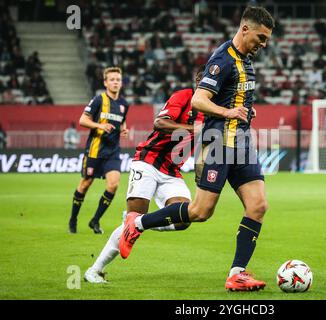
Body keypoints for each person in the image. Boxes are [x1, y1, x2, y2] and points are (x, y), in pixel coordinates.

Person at [119, 6, 274, 292]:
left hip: (241, 144)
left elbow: (235, 100)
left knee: (258, 205)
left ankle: (237, 274)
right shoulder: (222, 60)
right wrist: (228, 114)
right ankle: (138, 224)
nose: (263, 44)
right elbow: (199, 101)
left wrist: (244, 113)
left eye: (266, 40)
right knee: (201, 211)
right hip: (218, 144)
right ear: (245, 29)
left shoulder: (246, 62)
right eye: (261, 37)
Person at [84, 69, 205, 283]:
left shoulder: (211, 110)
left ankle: (139, 221)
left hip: (171, 171)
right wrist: (193, 129)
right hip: (148, 161)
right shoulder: (183, 96)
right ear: (198, 82)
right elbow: (160, 123)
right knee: (130, 226)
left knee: (185, 217)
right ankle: (95, 270)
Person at [68, 67, 129, 234]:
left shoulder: (124, 104)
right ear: (105, 82)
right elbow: (82, 120)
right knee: (85, 184)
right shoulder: (98, 100)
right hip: (95, 150)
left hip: (113, 152)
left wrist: (124, 129)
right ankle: (73, 220)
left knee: (113, 185)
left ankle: (95, 220)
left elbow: (122, 121)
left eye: (118, 79)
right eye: (112, 79)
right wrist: (100, 125)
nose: (115, 82)